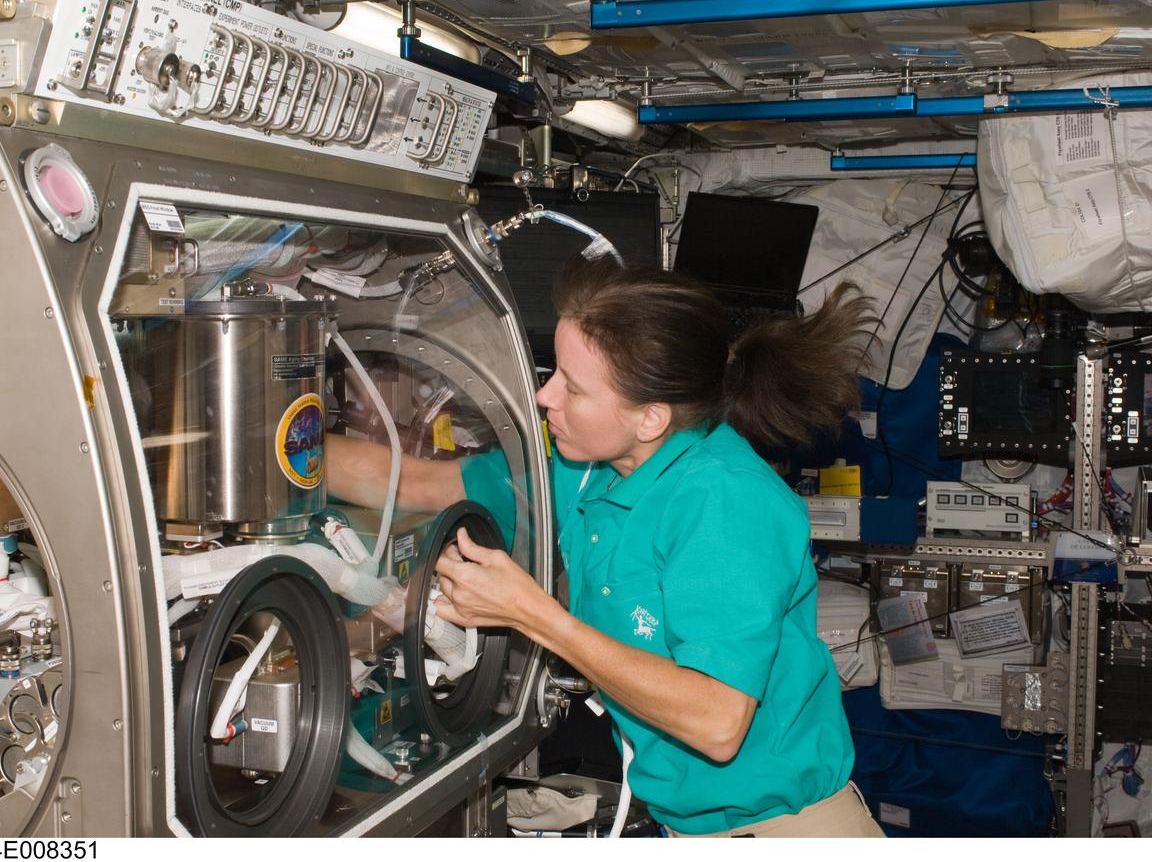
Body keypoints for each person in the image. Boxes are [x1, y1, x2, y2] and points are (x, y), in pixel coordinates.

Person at [326, 259, 884, 837]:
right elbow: (415, 483)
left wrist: (534, 614)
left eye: (573, 386)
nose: (546, 397)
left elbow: (718, 722)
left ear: (650, 418)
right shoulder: (585, 465)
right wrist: (265, 446)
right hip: (685, 824)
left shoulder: (724, 503)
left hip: (784, 830)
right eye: (554, 372)